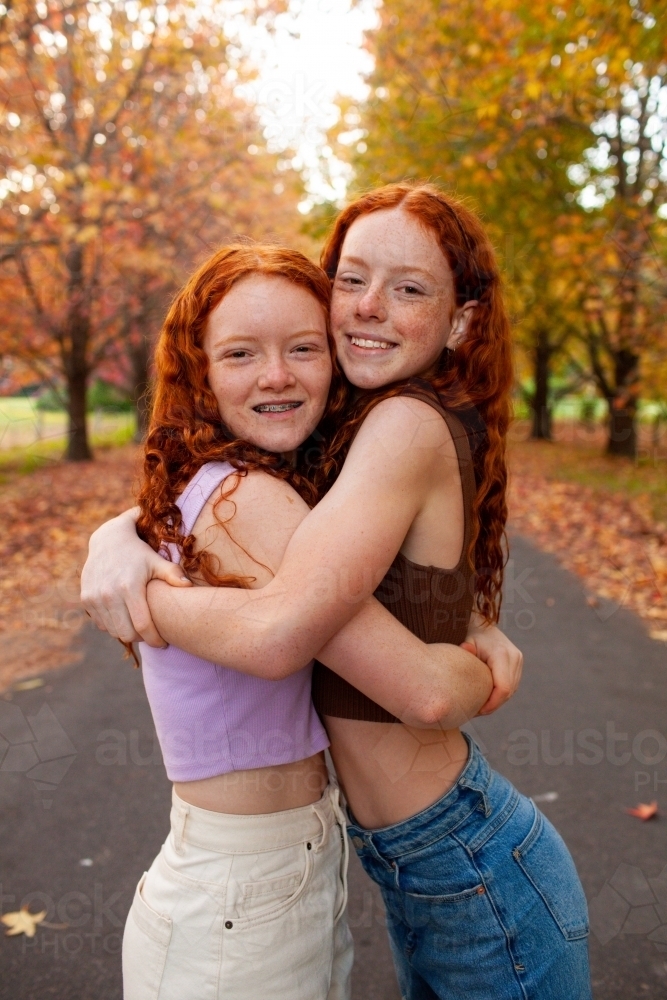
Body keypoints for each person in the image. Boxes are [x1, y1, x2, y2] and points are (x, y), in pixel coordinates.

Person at [84, 184, 590, 998]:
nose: (369, 308)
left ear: (460, 319)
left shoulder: (400, 423)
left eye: (410, 288)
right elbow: (245, 511)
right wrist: (120, 542)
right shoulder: (318, 450)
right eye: (351, 280)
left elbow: (302, 630)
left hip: (458, 857)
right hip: (412, 863)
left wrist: (144, 592)